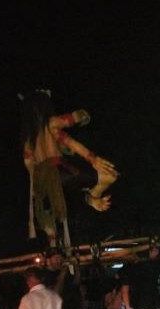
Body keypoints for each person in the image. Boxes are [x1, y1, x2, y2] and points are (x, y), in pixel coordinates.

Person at [20, 89, 118, 246]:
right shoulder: (51, 123)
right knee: (110, 175)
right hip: (60, 173)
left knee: (56, 214)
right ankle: (91, 197)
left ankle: (88, 198)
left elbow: (29, 165)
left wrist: (39, 193)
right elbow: (73, 121)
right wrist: (84, 115)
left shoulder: (29, 141)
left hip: (46, 184)